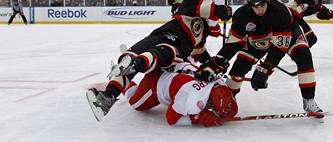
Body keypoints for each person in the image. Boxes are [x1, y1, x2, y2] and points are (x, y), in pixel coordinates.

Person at [86, 0, 232, 121]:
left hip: (174, 49)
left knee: (158, 52)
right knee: (128, 56)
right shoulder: (191, 7)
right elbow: (200, 6)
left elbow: (199, 53)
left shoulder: (202, 31)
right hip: (162, 34)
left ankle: (135, 64)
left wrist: (213, 62)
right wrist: (222, 10)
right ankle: (107, 97)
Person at [195, 0, 323, 114]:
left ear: (267, 0)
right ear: (249, 4)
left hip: (289, 32)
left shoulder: (280, 12)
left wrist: (265, 68)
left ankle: (309, 101)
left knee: (303, 54)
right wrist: (217, 62)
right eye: (256, 6)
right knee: (238, 68)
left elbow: (279, 48)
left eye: (262, 5)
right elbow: (233, 44)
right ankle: (226, 100)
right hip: (258, 39)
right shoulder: (241, 15)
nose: (260, 10)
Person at [90, 61, 238, 127]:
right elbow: (171, 118)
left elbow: (230, 107)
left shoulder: (219, 82)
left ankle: (142, 62)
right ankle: (120, 76)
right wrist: (197, 118)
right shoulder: (191, 99)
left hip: (173, 64)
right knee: (135, 103)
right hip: (156, 83)